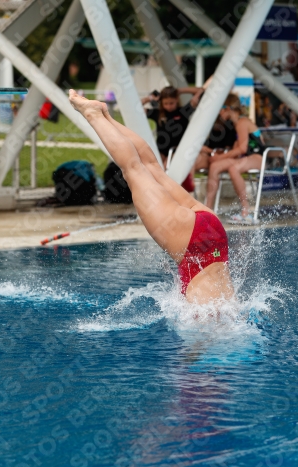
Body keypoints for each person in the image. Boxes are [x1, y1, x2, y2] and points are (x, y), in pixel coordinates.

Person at [69, 89, 234, 305]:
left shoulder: (231, 306)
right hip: (191, 245)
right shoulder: (211, 319)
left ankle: (105, 115)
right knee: (133, 169)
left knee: (151, 167)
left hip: (214, 233)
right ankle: (93, 114)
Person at [206, 93, 265, 223]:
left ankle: (246, 211)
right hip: (245, 159)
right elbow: (237, 150)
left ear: (228, 108)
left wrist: (221, 156)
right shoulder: (236, 123)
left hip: (258, 158)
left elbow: (242, 149)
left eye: (220, 109)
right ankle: (207, 209)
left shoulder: (242, 122)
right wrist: (219, 158)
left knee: (233, 169)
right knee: (215, 166)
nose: (218, 112)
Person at [142, 86, 203, 192]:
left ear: (177, 100)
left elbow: (201, 91)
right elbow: (134, 107)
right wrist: (150, 98)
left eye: (171, 103)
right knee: (152, 169)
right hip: (161, 150)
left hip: (177, 150)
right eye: (166, 103)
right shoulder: (158, 113)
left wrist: (180, 90)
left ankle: (177, 191)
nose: (169, 106)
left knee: (168, 167)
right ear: (161, 103)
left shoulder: (184, 111)